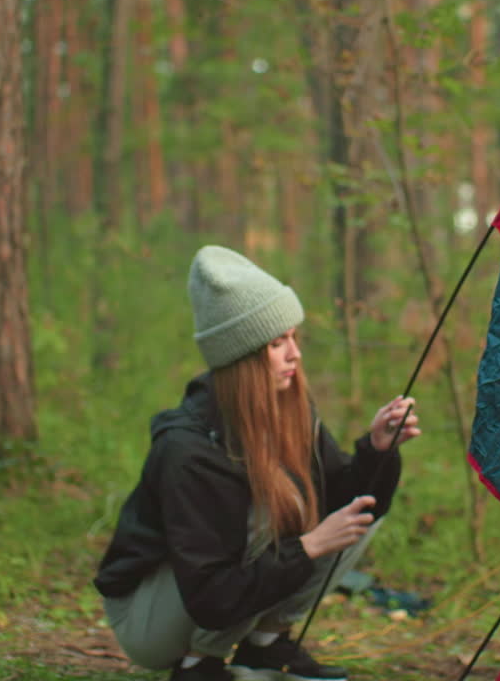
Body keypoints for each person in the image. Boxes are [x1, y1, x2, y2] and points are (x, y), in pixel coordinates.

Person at [93, 245, 420, 681]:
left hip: (213, 593)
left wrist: (377, 451)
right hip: (152, 615)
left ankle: (264, 647)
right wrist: (308, 546)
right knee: (270, 509)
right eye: (276, 342)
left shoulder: (290, 408)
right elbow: (210, 592)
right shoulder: (189, 450)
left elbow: (342, 494)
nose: (294, 355)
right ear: (241, 355)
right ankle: (198, 665)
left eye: (293, 338)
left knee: (360, 512)